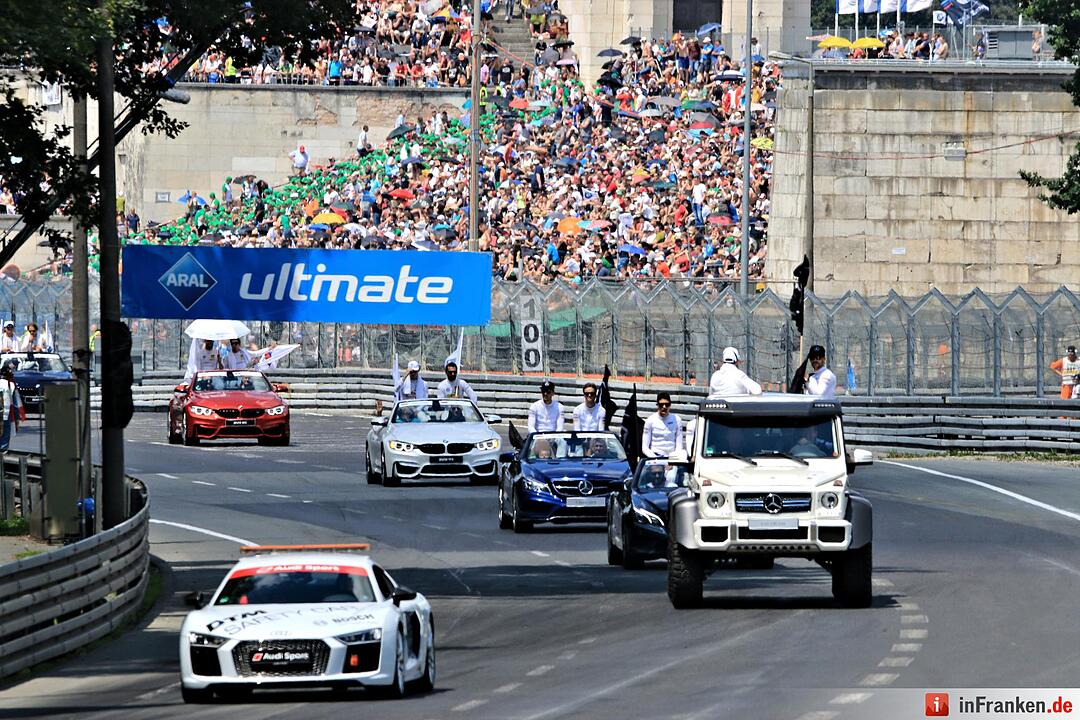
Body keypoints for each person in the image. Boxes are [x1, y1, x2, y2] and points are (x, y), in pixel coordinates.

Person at [642, 392, 683, 458]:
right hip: (654, 456)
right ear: (657, 405)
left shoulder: (677, 420)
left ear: (670, 405)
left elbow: (679, 446)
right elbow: (645, 447)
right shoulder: (650, 420)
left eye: (667, 404)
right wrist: (655, 459)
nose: (664, 407)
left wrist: (672, 460)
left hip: (672, 457)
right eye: (661, 404)